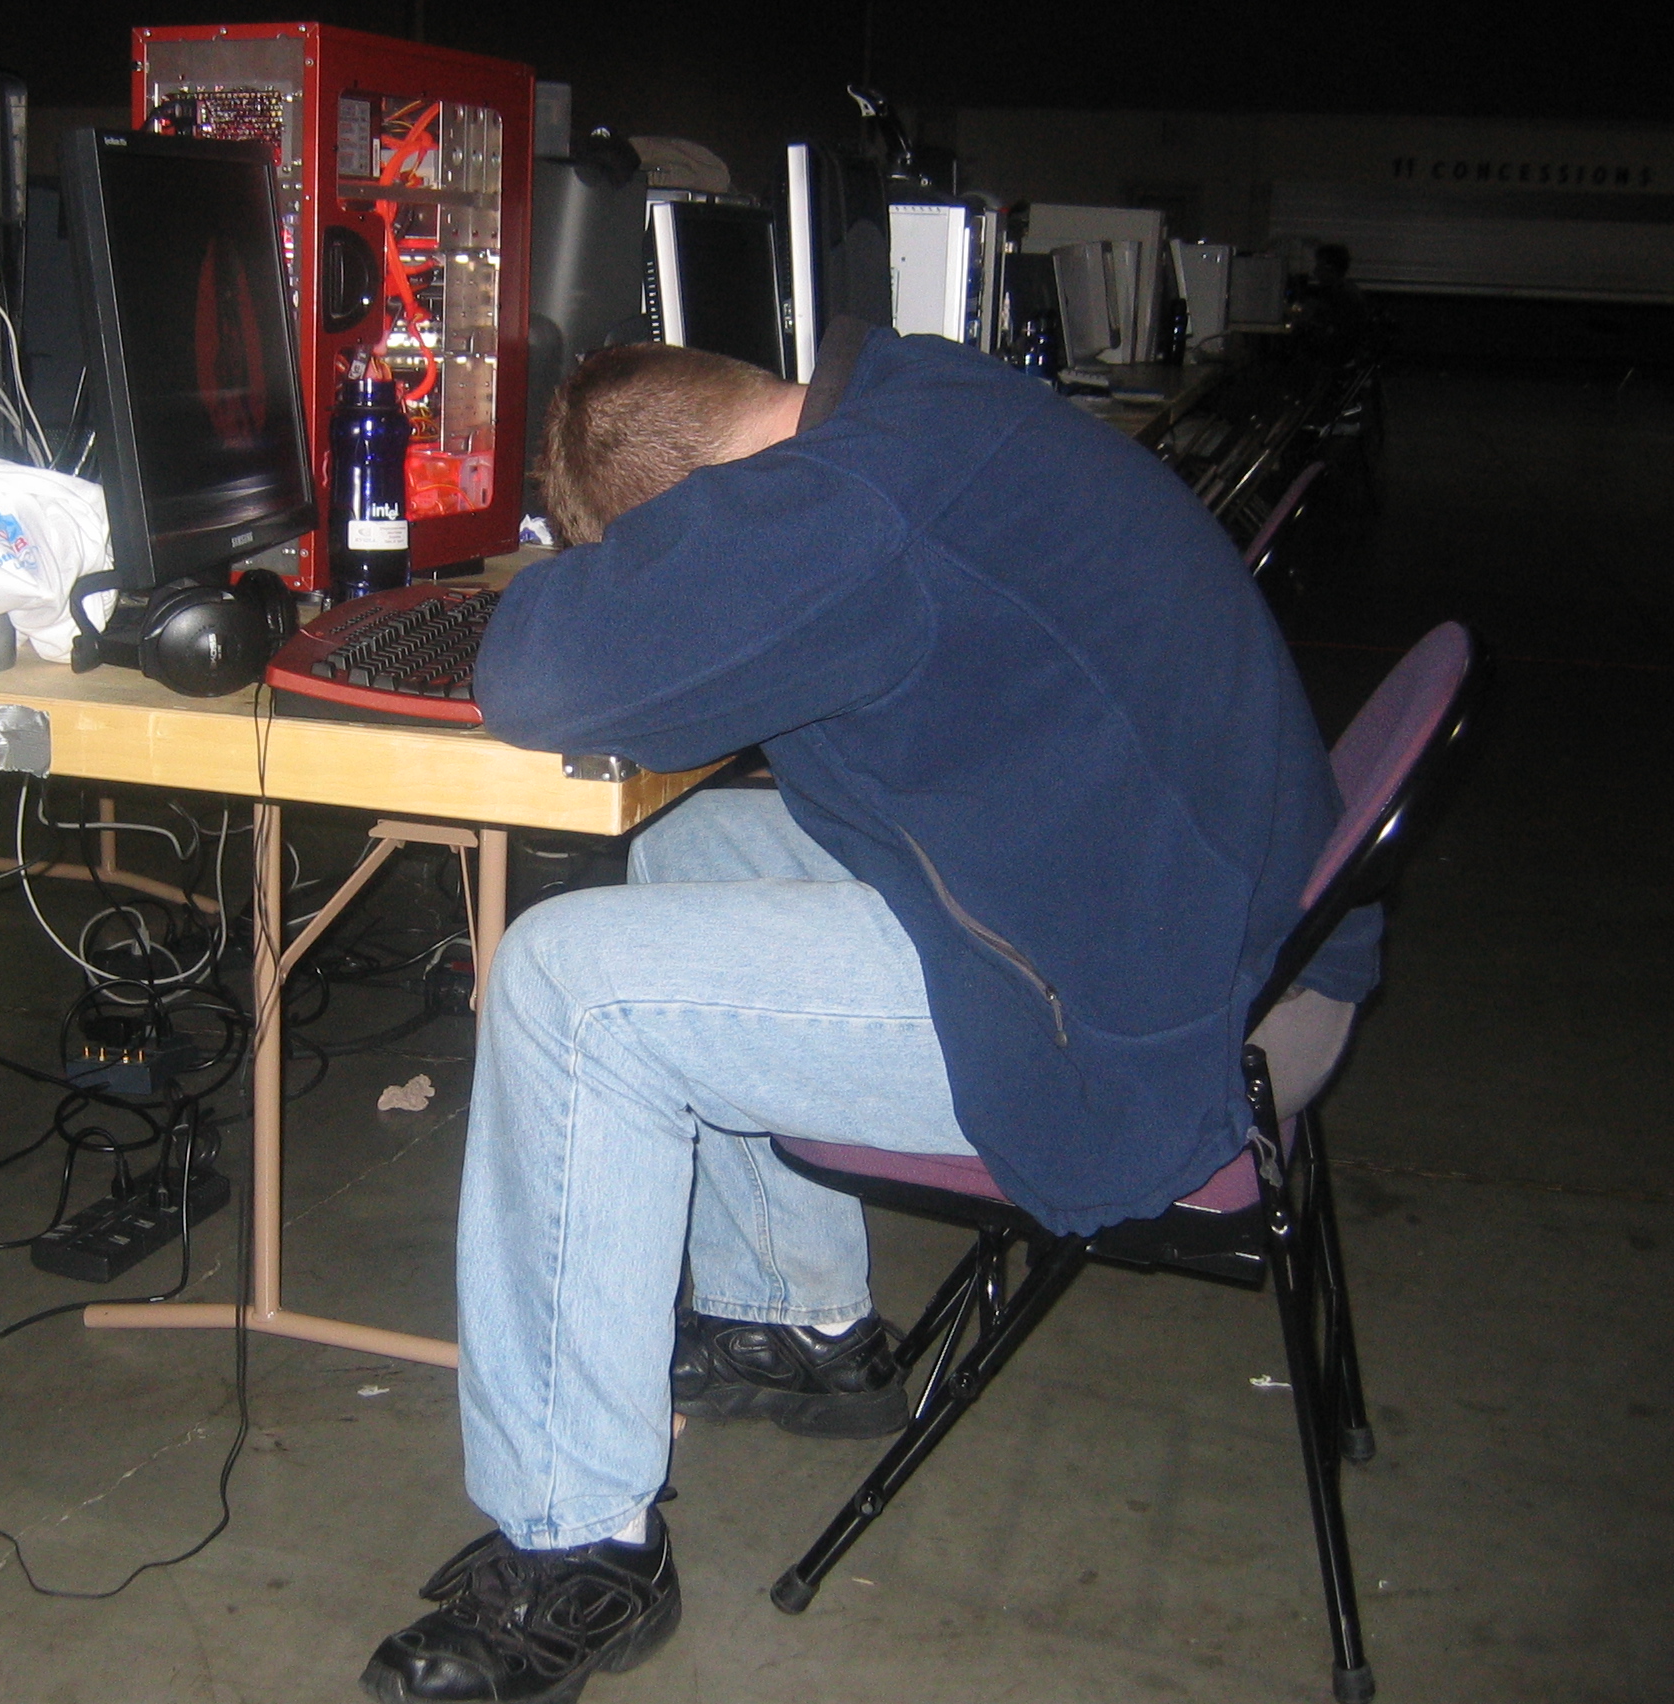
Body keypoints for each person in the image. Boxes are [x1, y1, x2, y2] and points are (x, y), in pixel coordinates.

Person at [357, 320, 1379, 1704]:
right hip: (1192, 913)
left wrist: (612, 578)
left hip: (1166, 1021)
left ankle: (576, 1546)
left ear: (703, 514)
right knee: (684, 852)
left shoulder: (852, 508)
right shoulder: (916, 406)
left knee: (565, 985)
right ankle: (797, 1322)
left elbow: (536, 678)